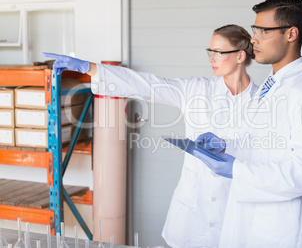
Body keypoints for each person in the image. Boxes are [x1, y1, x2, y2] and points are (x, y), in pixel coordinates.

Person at [43, 24, 259, 248]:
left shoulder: (261, 100)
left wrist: (229, 146)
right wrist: (91, 68)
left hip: (233, 211)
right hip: (193, 214)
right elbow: (149, 85)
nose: (211, 59)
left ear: (240, 56)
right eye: (210, 52)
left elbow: (266, 153)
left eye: (218, 53)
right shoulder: (197, 89)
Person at [194, 0, 302, 247]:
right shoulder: (274, 86)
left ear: (291, 34)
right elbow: (270, 147)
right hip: (256, 223)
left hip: (285, 230)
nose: (253, 39)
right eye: (254, 30)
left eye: (264, 30)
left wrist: (236, 169)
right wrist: (227, 146)